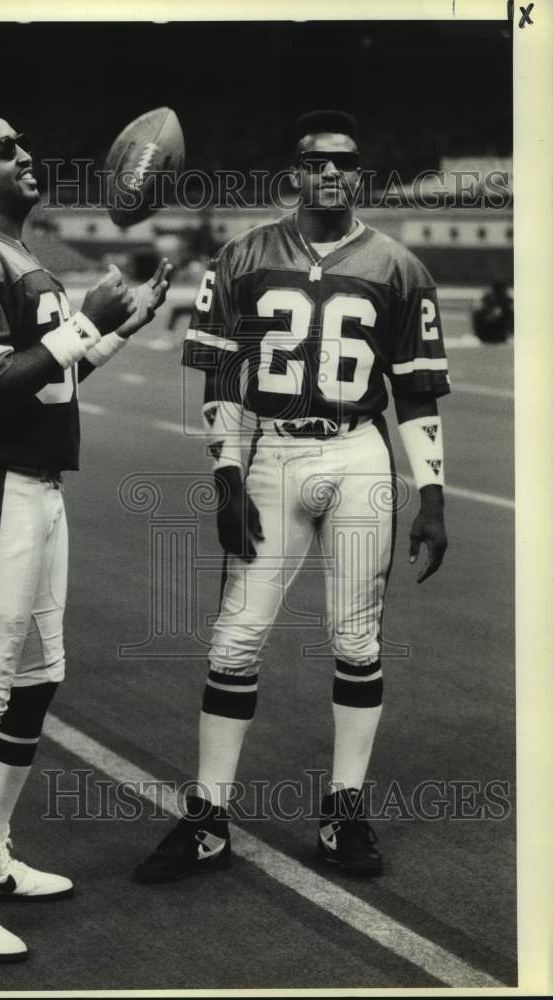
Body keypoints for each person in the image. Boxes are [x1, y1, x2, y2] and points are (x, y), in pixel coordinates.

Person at [134, 109, 449, 883]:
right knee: (235, 639)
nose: (330, 174)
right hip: (272, 451)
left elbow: (415, 394)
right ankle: (207, 818)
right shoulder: (245, 254)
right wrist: (226, 473)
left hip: (356, 451)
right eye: (315, 163)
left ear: (359, 175)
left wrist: (434, 494)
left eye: (344, 163)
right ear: (295, 174)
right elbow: (221, 375)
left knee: (355, 640)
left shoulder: (398, 267)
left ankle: (344, 809)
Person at [0, 115, 171, 959]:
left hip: (29, 482)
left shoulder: (16, 253)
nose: (26, 157)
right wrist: (81, 322)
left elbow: (46, 382)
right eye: (4, 150)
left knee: (34, 680)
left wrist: (117, 327)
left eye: (22, 146)